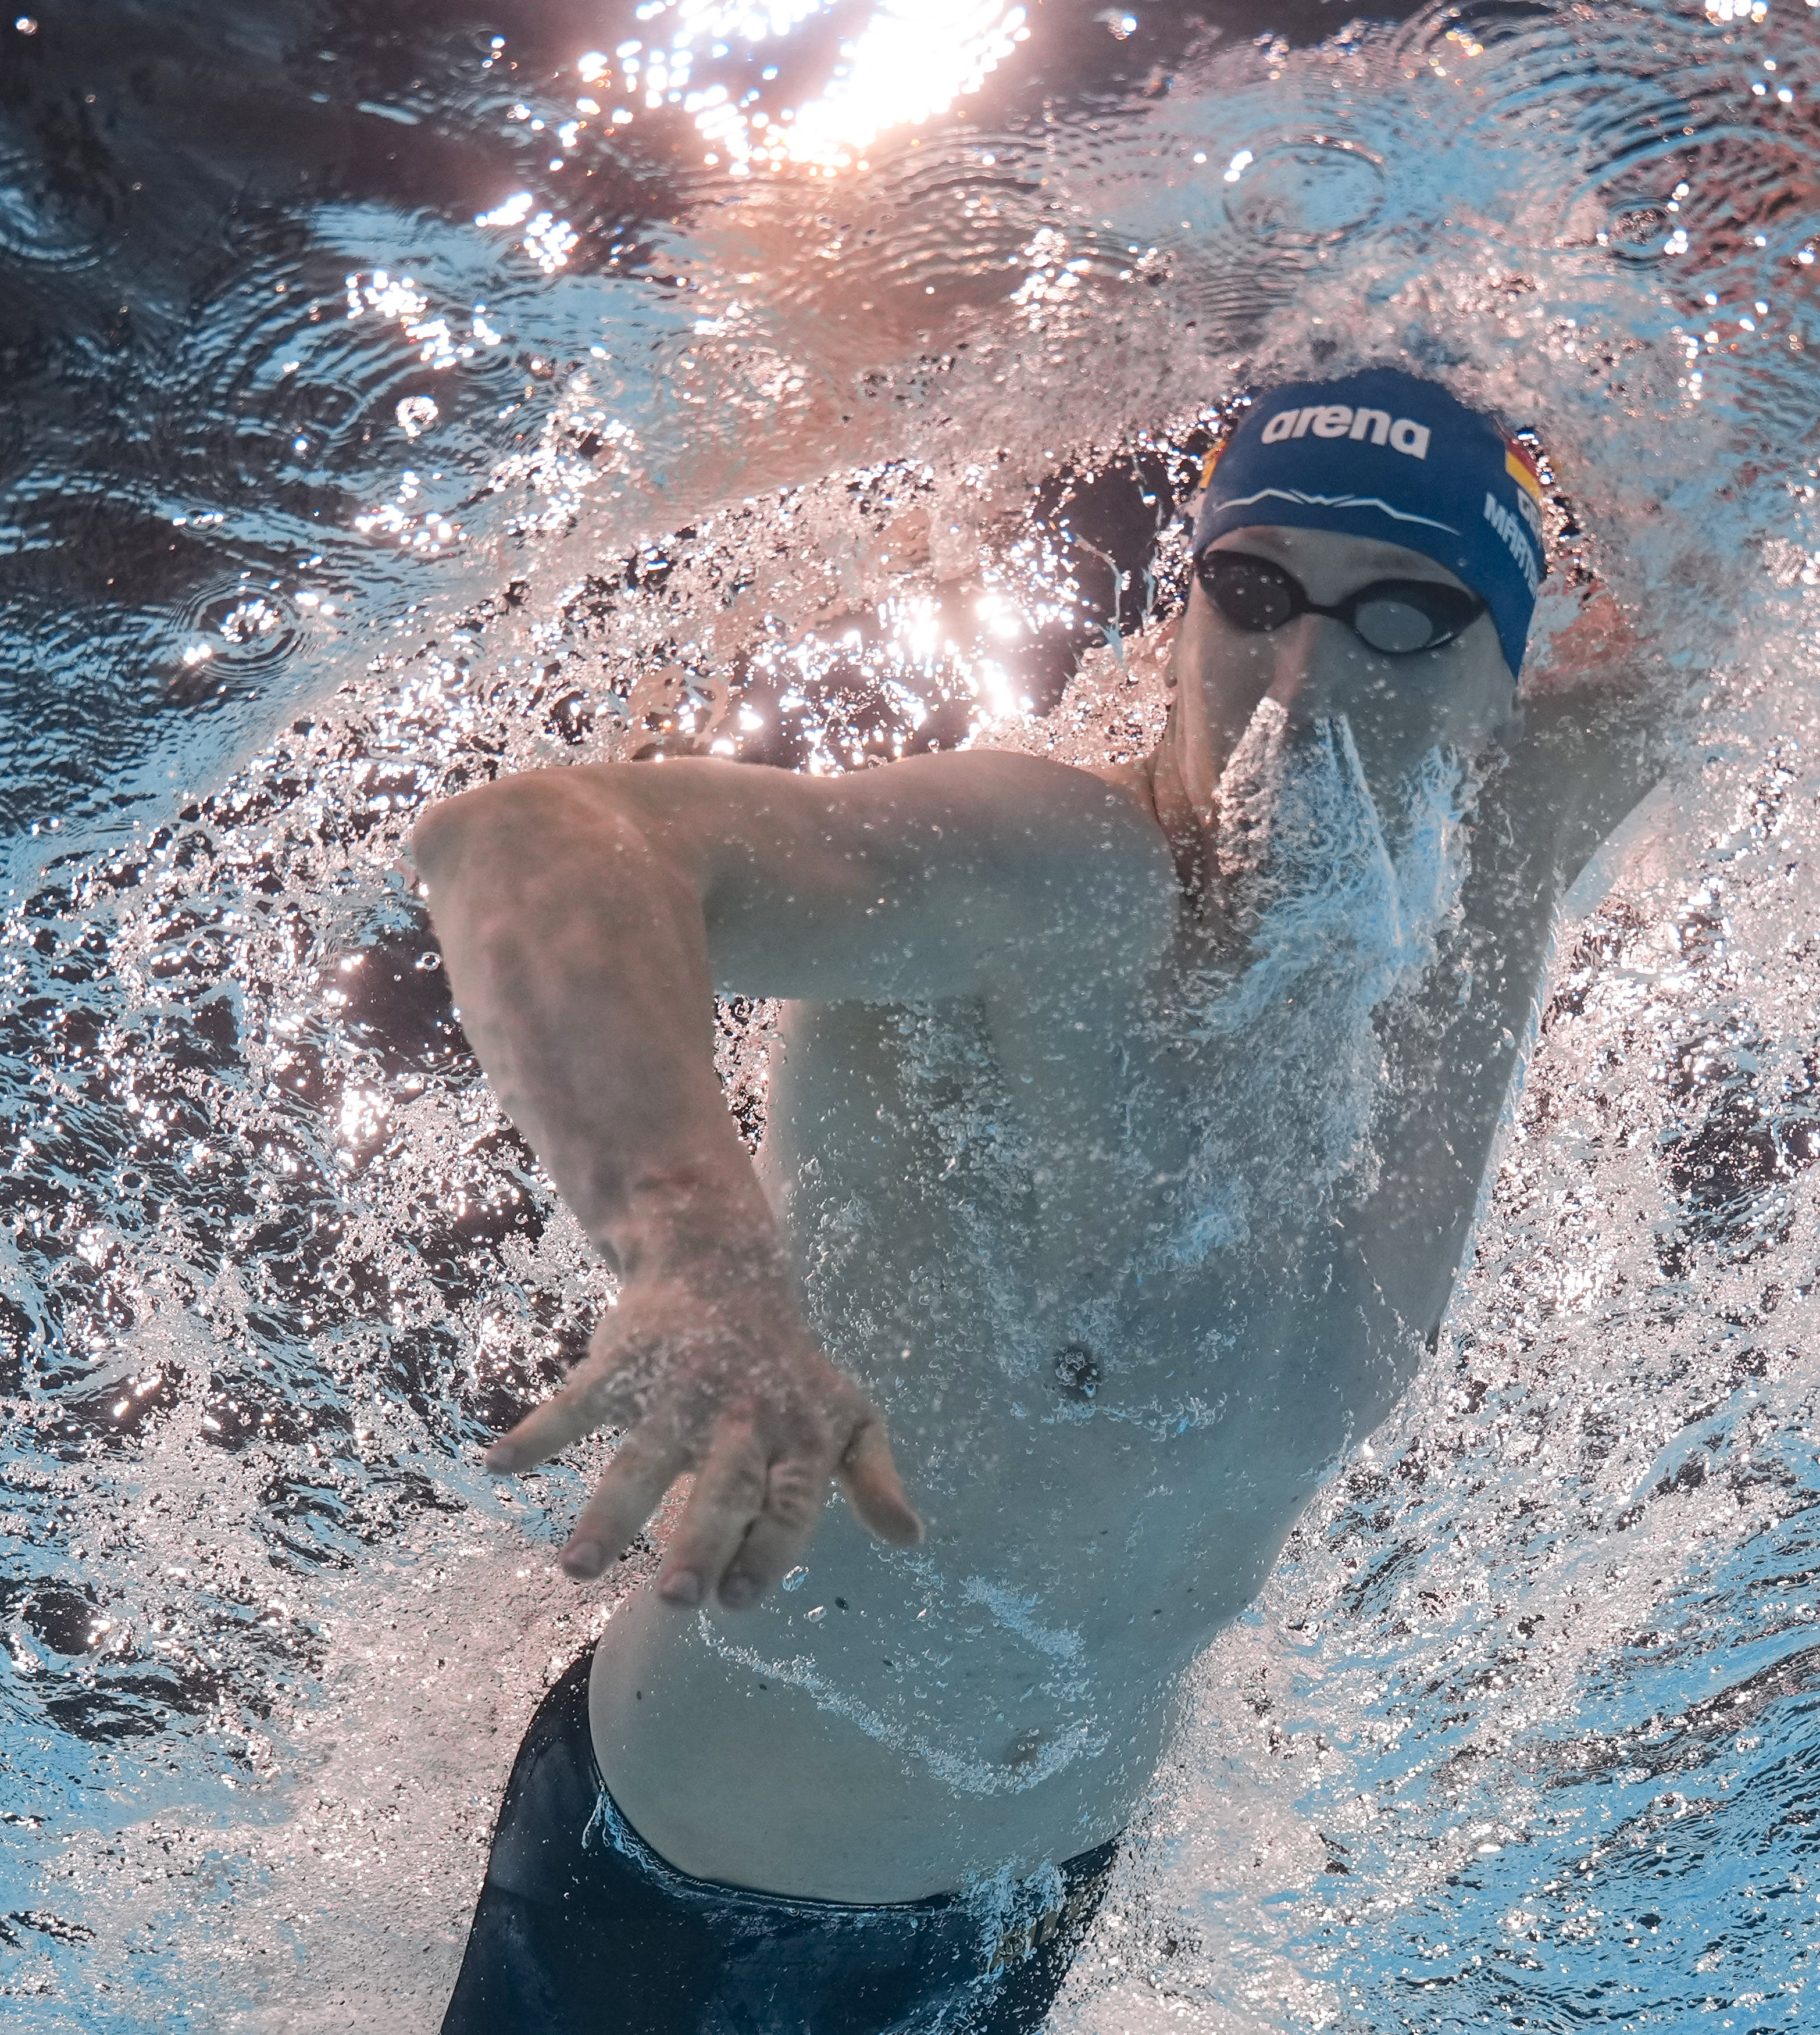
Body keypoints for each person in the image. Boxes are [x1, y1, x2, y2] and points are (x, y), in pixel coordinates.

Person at [410, 365, 1665, 2033]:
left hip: (1023, 1914)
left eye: (1402, 615)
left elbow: (1783, 499)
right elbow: (526, 843)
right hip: (673, 1908)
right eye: (1254, 590)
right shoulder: (1061, 885)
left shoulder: (1491, 880)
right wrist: (696, 1254)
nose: (1304, 677)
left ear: (1500, 674)